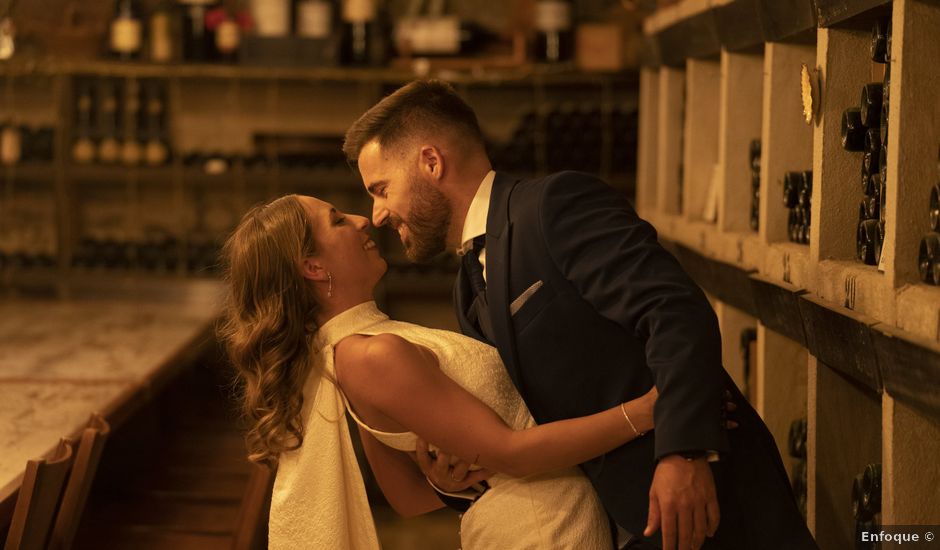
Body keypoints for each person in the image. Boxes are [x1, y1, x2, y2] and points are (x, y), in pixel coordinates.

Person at [343, 79, 819, 550]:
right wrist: (453, 476)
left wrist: (685, 452)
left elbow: (674, 311)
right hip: (620, 524)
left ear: (431, 162)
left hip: (708, 501)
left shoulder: (553, 206)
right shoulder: (466, 288)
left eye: (381, 189)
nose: (377, 214)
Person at [218, 194, 737, 550]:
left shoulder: (360, 347)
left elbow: (409, 497)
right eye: (336, 220)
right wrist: (650, 409)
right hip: (539, 528)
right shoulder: (368, 356)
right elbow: (512, 453)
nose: (362, 220)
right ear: (312, 268)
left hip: (537, 516)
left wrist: (450, 483)